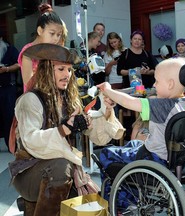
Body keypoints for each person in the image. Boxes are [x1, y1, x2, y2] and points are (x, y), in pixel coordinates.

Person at [9, 43, 124, 216]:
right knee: (61, 168)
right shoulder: (30, 100)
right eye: (61, 69)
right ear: (47, 71)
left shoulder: (69, 100)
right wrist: (64, 129)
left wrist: (106, 111)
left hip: (63, 170)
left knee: (91, 204)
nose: (67, 75)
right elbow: (31, 140)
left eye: (69, 70)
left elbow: (98, 139)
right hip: (28, 172)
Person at [98, 57, 185, 174]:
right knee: (133, 144)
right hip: (181, 159)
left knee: (106, 153)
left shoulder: (161, 105)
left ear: (170, 84)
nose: (154, 85)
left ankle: (120, 193)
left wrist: (108, 90)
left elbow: (129, 102)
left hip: (155, 158)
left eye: (157, 81)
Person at [18, 3, 63, 92]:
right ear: (40, 31)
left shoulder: (53, 50)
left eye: (58, 35)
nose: (56, 39)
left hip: (51, 98)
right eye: (52, 33)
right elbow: (28, 83)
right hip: (34, 100)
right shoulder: (28, 51)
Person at [0, 30, 20, 150]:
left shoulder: (10, 49)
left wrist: (6, 69)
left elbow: (19, 64)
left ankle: (11, 145)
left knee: (9, 117)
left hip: (8, 88)